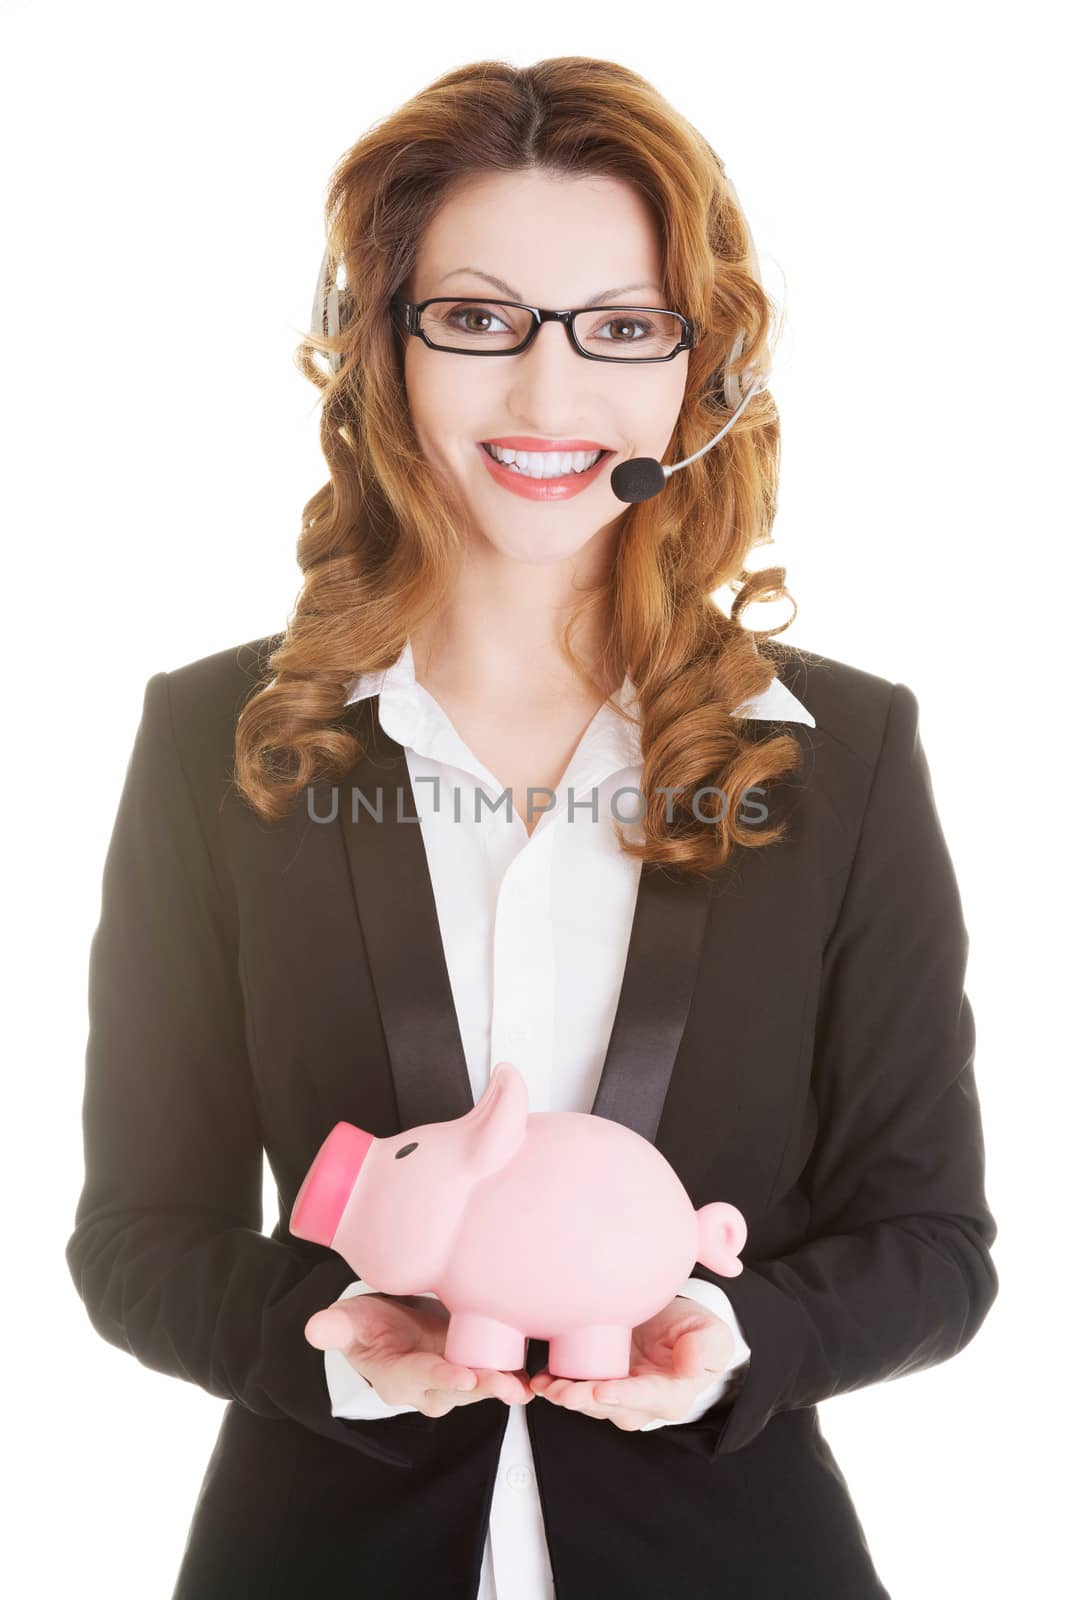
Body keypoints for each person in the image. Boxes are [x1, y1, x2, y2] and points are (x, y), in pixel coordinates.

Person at [65, 55, 999, 1600]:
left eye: (621, 330)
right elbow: (140, 1236)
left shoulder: (845, 757)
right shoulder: (220, 743)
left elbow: (933, 1243)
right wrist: (343, 1351)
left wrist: (727, 1342)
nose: (551, 396)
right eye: (481, 319)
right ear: (382, 348)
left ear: (702, 372)